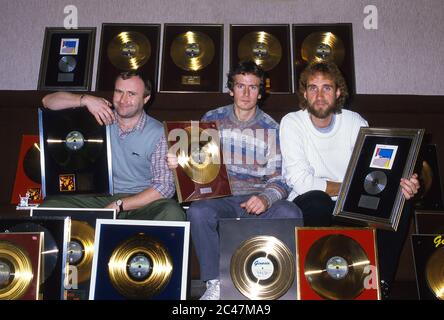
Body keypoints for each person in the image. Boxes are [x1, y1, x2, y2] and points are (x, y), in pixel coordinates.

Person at [279, 61, 420, 298]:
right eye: (313, 88)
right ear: (304, 93)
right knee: (317, 199)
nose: (320, 95)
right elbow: (302, 183)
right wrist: (351, 186)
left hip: (352, 205)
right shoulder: (292, 122)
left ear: (338, 92)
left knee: (400, 201)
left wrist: (403, 183)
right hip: (310, 204)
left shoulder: (355, 121)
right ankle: (318, 285)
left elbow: (374, 172)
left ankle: (379, 284)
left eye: (327, 88)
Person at [167, 61, 303, 300]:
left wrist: (265, 198)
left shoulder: (271, 128)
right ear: (231, 89)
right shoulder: (212, 118)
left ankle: (280, 283)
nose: (246, 93)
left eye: (253, 87)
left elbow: (281, 179)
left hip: (255, 196)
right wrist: (179, 163)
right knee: (198, 212)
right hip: (220, 198)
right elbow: (198, 166)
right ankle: (214, 282)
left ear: (261, 92)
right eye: (240, 86)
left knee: (291, 212)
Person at [40, 71, 185, 221]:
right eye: (119, 92)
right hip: (98, 197)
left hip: (141, 202)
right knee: (49, 207)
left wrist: (120, 204)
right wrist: (85, 100)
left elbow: (164, 187)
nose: (123, 99)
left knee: (172, 212)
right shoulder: (98, 116)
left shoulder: (159, 133)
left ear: (146, 98)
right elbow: (47, 101)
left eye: (131, 94)